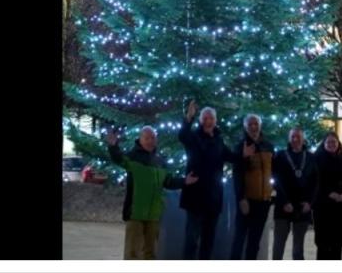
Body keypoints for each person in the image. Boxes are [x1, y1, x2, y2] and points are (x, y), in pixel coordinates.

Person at [106, 126, 199, 260]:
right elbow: (118, 158)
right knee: (132, 253)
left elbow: (168, 182)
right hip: (135, 213)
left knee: (150, 253)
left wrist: (185, 181)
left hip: (154, 215)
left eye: (153, 138)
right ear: (140, 140)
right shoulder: (132, 157)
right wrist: (113, 146)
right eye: (147, 138)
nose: (150, 141)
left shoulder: (160, 161)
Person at [178, 100, 255, 259]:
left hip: (213, 198)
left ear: (215, 120)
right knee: (192, 240)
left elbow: (231, 157)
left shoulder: (219, 141)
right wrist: (188, 118)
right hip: (195, 196)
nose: (208, 121)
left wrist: (244, 155)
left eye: (211, 118)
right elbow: (182, 135)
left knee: (208, 240)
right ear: (201, 121)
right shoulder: (194, 137)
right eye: (205, 118)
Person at [230, 114, 275, 260]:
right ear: (245, 127)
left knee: (254, 242)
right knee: (239, 239)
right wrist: (241, 198)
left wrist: (272, 193)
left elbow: (273, 171)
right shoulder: (240, 146)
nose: (253, 127)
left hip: (263, 201)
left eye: (256, 124)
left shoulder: (268, 145)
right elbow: (237, 174)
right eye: (250, 124)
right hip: (247, 201)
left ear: (260, 125)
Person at [271, 127, 319, 260]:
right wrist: (284, 202)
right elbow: (275, 180)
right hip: (283, 206)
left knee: (298, 249)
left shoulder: (310, 157)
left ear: (303, 139)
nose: (295, 139)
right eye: (292, 137)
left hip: (303, 207)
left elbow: (315, 183)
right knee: (278, 248)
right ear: (289, 138)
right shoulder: (280, 156)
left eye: (298, 136)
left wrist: (310, 202)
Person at [313, 132, 342, 260]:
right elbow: (315, 181)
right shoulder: (317, 158)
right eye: (329, 142)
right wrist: (329, 193)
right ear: (324, 144)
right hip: (323, 207)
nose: (332, 144)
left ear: (338, 143)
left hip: (340, 207)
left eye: (334, 142)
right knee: (323, 243)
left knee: (337, 243)